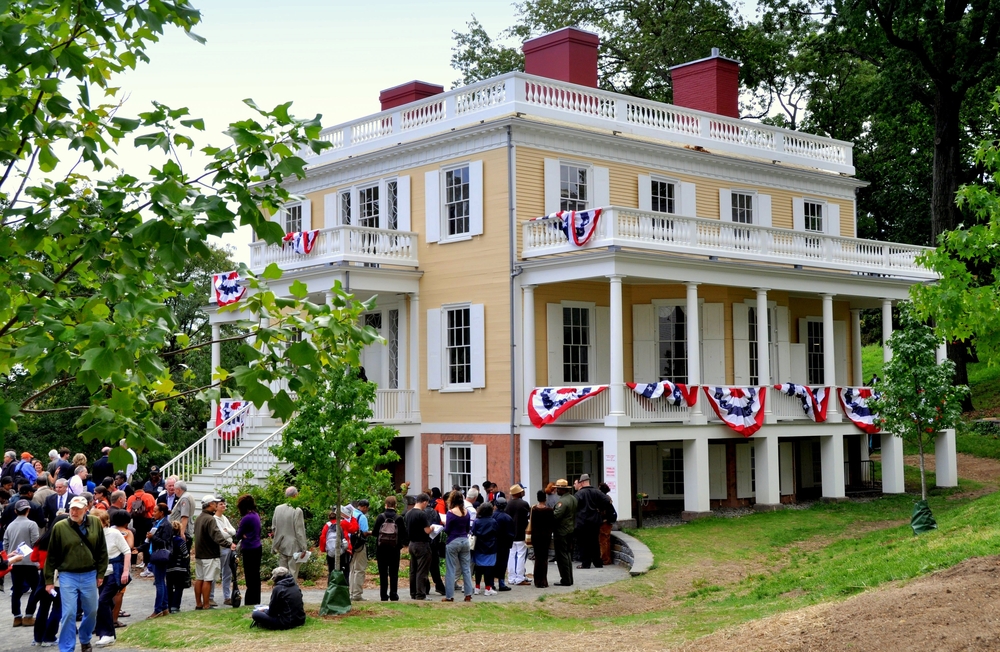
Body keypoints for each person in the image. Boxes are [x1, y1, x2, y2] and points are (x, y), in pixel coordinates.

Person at [45, 495, 109, 652]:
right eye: (72, 508)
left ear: (86, 509)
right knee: (69, 613)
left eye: (78, 508)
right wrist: (48, 580)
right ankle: (67, 648)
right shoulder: (60, 527)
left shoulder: (95, 523)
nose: (74, 511)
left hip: (90, 573)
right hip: (68, 574)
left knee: (93, 610)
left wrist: (101, 573)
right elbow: (51, 554)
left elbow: (102, 550)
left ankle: (85, 638)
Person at [94, 509, 130, 647]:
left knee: (103, 601)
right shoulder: (93, 535)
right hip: (101, 574)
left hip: (114, 573)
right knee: (106, 602)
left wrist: (125, 571)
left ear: (104, 522)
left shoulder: (114, 534)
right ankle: (107, 632)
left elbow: (127, 551)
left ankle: (107, 634)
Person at [193, 494, 235, 610]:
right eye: (215, 503)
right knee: (208, 579)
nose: (217, 505)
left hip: (199, 553)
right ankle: (206, 604)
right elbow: (217, 536)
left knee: (199, 579)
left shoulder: (199, 518)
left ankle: (198, 603)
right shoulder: (210, 519)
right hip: (209, 554)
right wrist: (229, 544)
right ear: (210, 504)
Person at [5, 499, 40, 626]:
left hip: (15, 562)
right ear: (28, 510)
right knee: (36, 588)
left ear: (15, 511)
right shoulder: (32, 524)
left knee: (17, 590)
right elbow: (36, 542)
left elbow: (5, 543)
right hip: (29, 562)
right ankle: (29, 615)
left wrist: (9, 557)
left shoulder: (10, 525)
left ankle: (17, 616)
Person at [30, 518, 63, 647]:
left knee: (43, 607)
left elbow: (33, 558)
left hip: (43, 576)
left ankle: (38, 638)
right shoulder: (61, 541)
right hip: (58, 576)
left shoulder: (42, 540)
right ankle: (49, 636)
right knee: (58, 607)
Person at [574, 473, 611, 569]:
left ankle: (585, 563)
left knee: (583, 543)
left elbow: (574, 506)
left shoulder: (579, 494)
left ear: (581, 483)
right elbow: (607, 501)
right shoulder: (596, 492)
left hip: (582, 521)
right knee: (595, 542)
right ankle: (597, 562)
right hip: (595, 520)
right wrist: (600, 509)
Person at [372, 495, 406, 602]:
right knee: (393, 573)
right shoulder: (399, 518)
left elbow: (374, 533)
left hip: (381, 549)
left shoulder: (380, 517)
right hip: (394, 549)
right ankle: (393, 594)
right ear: (395, 505)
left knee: (383, 573)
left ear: (385, 505)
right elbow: (404, 534)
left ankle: (383, 595)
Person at [442, 490, 473, 602]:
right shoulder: (466, 512)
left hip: (453, 540)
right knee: (466, 569)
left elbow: (447, 529)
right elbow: (467, 529)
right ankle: (468, 594)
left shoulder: (450, 513)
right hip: (464, 540)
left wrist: (444, 526)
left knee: (451, 569)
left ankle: (449, 596)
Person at [271, 487, 308, 579]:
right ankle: (291, 592)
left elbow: (274, 528)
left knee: (282, 572)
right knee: (293, 572)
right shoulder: (297, 510)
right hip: (294, 546)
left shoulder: (278, 509)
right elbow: (299, 531)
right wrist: (304, 548)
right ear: (295, 495)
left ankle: (282, 591)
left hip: (281, 544)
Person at [404, 493, 434, 601]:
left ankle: (413, 593)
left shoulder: (408, 513)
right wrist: (433, 528)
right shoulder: (422, 514)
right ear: (425, 502)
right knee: (422, 570)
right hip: (422, 544)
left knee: (413, 570)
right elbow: (427, 530)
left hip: (412, 544)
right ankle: (420, 594)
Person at [145, 503, 173, 618]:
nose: (153, 513)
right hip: (154, 554)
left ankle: (158, 609)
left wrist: (153, 537)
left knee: (159, 582)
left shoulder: (166, 525)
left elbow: (165, 542)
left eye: (155, 511)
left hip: (161, 556)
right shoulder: (156, 523)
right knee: (161, 581)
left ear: (162, 512)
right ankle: (165, 607)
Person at [235, 494, 262, 606]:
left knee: (250, 577)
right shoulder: (255, 515)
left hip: (249, 548)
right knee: (256, 576)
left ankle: (250, 601)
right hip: (257, 546)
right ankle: (256, 599)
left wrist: (243, 535)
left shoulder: (246, 518)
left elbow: (238, 535)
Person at [211, 498, 238, 605]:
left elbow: (233, 531)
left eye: (224, 504)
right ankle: (210, 596)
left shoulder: (224, 518)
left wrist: (229, 531)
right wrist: (228, 532)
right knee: (216, 572)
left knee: (228, 572)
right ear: (216, 507)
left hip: (229, 548)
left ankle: (227, 597)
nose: (223, 506)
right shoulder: (214, 519)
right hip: (221, 548)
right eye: (220, 504)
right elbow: (222, 534)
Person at [126, 478, 155, 574]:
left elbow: (128, 511)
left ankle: (132, 563)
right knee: (146, 542)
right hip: (147, 521)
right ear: (143, 487)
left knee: (135, 541)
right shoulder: (149, 496)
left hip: (136, 522)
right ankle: (146, 564)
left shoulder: (131, 498)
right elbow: (153, 510)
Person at [552, 478, 577, 587]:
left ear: (562, 489)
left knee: (562, 556)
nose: (556, 490)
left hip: (561, 532)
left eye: (558, 488)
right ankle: (569, 578)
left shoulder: (562, 502)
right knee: (567, 555)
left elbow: (555, 516)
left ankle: (565, 579)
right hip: (570, 530)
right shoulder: (573, 499)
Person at [506, 483, 531, 586]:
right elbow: (528, 517)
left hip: (511, 534)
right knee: (521, 555)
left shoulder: (508, 504)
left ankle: (511, 577)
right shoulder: (524, 504)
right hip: (520, 533)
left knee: (511, 556)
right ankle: (520, 578)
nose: (523, 492)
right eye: (522, 491)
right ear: (518, 493)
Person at [471, 502, 498, 596]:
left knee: (478, 568)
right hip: (491, 547)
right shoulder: (493, 521)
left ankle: (477, 587)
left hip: (478, 547)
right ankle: (488, 588)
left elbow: (473, 532)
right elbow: (497, 533)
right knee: (489, 569)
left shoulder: (477, 521)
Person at [529, 489, 555, 588]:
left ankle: (537, 580)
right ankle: (543, 580)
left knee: (537, 558)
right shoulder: (549, 510)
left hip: (536, 536)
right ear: (545, 498)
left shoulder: (534, 509)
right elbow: (552, 524)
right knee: (544, 558)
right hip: (545, 536)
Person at [165, 520, 189, 614]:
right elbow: (185, 554)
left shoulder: (167, 541)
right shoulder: (180, 541)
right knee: (179, 587)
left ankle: (169, 605)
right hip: (180, 568)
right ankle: (175, 606)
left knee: (169, 587)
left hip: (169, 568)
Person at [349, 499, 370, 601]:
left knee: (352, 569)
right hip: (359, 545)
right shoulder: (362, 517)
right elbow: (364, 532)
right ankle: (357, 594)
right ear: (365, 507)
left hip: (350, 545)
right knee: (360, 569)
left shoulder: (351, 514)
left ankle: (351, 592)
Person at [493, 496, 514, 591]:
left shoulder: (492, 516)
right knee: (502, 563)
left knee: (492, 563)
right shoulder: (508, 518)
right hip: (504, 545)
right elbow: (511, 533)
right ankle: (501, 583)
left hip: (493, 544)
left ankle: (490, 583)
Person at [598, 482, 617, 566]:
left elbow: (602, 511)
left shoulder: (603, 499)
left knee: (603, 541)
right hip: (609, 521)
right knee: (606, 540)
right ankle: (607, 559)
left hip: (605, 522)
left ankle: (605, 559)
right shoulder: (607, 498)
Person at [172, 480, 196, 545]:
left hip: (183, 532)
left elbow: (184, 517)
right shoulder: (187, 496)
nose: (174, 492)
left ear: (178, 490)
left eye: (175, 489)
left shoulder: (184, 499)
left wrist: (181, 533)